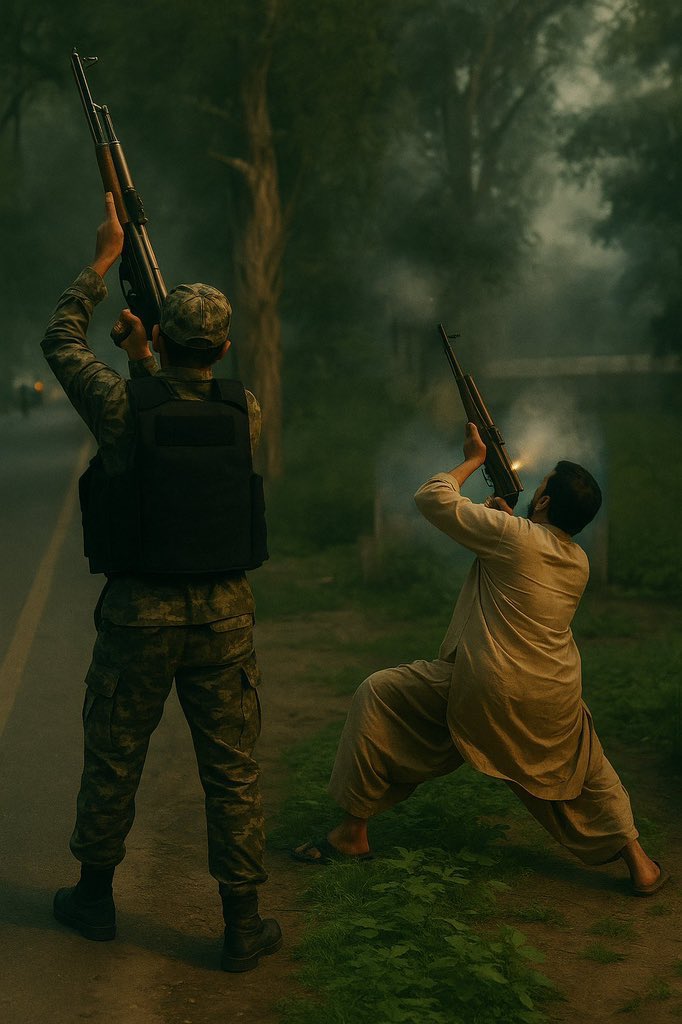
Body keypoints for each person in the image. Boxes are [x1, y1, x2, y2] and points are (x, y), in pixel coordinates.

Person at [43, 193, 282, 972]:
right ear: (221, 346)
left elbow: (60, 340)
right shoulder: (243, 409)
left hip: (140, 614)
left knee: (115, 756)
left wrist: (106, 260)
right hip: (225, 618)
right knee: (233, 771)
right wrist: (148, 356)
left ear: (162, 336)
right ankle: (243, 923)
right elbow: (181, 409)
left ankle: (94, 899)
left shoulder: (119, 402)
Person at [293, 422, 669, 897]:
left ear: (546, 503)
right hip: (554, 694)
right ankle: (640, 863)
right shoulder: (577, 561)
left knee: (379, 694)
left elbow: (431, 497)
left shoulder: (512, 536)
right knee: (588, 767)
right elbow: (522, 553)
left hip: (487, 685)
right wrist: (506, 521)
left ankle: (351, 834)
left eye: (543, 486)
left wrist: (472, 459)